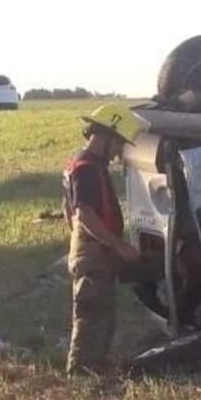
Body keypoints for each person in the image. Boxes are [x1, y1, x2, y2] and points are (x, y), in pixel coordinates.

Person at [61, 103, 161, 376]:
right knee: (91, 313)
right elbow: (84, 214)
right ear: (106, 136)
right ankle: (82, 371)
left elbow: (68, 211)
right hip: (94, 253)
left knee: (104, 311)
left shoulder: (80, 162)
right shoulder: (87, 169)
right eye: (119, 144)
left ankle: (97, 363)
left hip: (94, 250)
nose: (119, 152)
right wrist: (117, 246)